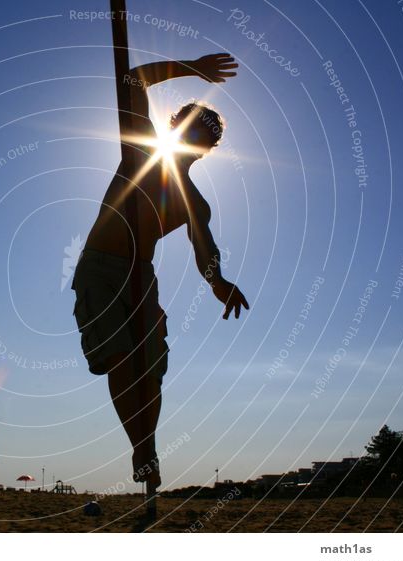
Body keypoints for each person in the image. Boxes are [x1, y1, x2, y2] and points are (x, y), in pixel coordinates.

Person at [72, 53, 249, 488]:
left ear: (206, 151)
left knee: (151, 366)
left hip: (141, 277)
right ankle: (141, 445)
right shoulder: (141, 152)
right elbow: (133, 79)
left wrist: (218, 282)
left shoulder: (193, 200)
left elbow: (203, 246)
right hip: (101, 268)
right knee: (119, 357)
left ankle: (144, 444)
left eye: (202, 137)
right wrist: (194, 67)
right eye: (188, 128)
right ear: (173, 128)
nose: (193, 139)